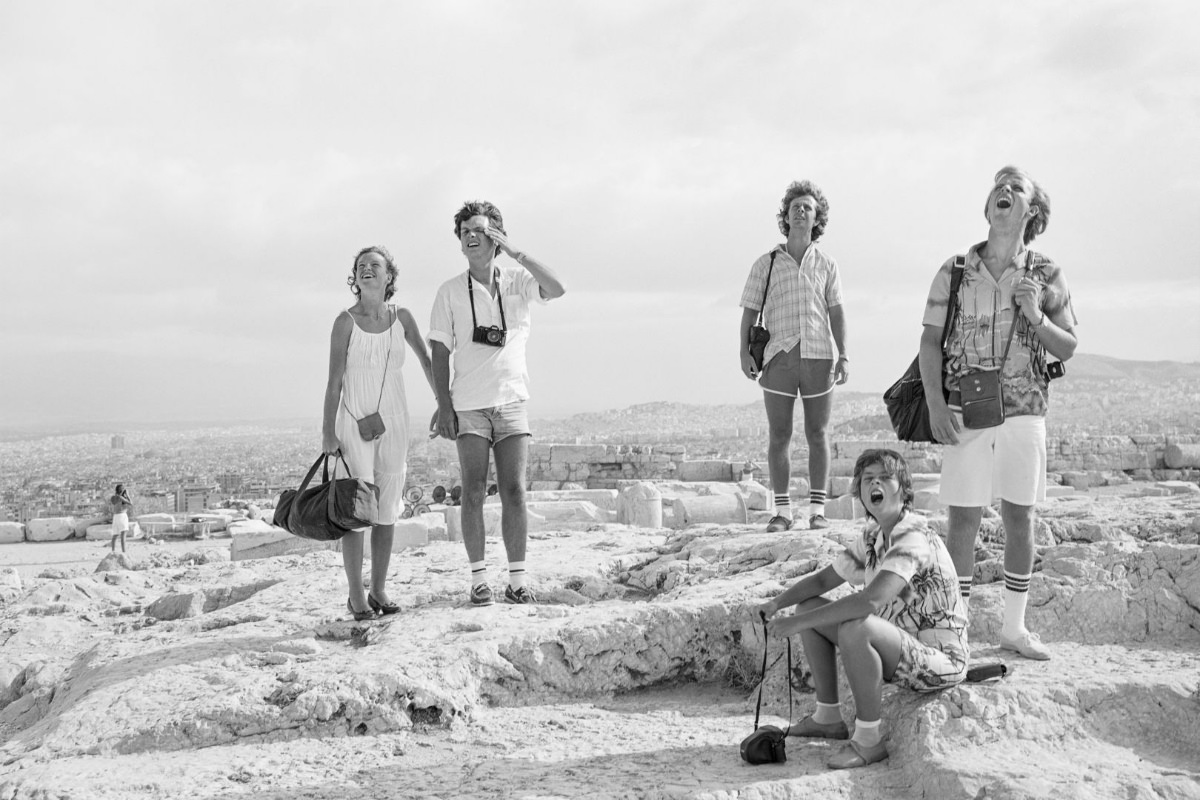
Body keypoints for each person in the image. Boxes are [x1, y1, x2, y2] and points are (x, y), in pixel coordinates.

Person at [918, 166, 1077, 661]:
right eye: (997, 187)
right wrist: (936, 403)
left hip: (1025, 410)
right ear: (987, 208)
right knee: (962, 519)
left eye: (1017, 188)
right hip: (967, 407)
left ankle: (1014, 628)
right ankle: (957, 630)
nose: (1003, 191)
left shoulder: (1047, 273)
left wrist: (1035, 315)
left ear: (1032, 212)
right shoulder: (955, 270)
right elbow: (928, 340)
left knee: (1019, 517)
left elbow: (1068, 345)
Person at [755, 449, 968, 770]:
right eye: (868, 479)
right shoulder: (872, 537)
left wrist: (796, 623)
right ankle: (828, 718)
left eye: (885, 478)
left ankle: (869, 740)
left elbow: (870, 601)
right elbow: (824, 580)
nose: (875, 484)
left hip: (940, 660)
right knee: (809, 605)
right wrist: (776, 604)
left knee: (857, 624)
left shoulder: (913, 536)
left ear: (904, 489)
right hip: (898, 645)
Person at [429, 200, 565, 607]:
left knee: (515, 491)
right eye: (465, 231)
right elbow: (439, 352)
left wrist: (516, 252)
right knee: (472, 491)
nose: (471, 236)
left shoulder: (518, 281)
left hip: (511, 401)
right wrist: (444, 404)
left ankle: (518, 579)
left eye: (480, 231)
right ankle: (478, 580)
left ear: (496, 237)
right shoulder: (449, 291)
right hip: (469, 404)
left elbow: (557, 288)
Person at [322, 245, 435, 621]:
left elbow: (425, 358)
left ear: (390, 277)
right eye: (361, 266)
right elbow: (334, 381)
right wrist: (328, 432)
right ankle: (356, 596)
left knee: (387, 509)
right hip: (354, 421)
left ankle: (379, 588)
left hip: (394, 420)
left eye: (375, 265)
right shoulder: (344, 322)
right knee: (356, 509)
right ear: (355, 277)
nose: (367, 269)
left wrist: (444, 403)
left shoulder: (402, 317)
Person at [739, 180, 848, 533]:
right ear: (785, 216)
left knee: (818, 433)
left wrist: (844, 353)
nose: (801, 211)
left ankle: (817, 510)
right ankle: (783, 512)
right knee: (779, 434)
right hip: (778, 357)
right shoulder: (766, 263)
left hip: (819, 355)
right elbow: (749, 311)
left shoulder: (828, 264)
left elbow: (836, 312)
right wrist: (744, 352)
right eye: (795, 207)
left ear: (817, 218)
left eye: (808, 208)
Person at [108, 484, 132, 553]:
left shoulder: (113, 498)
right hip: (122, 516)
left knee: (115, 535)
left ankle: (113, 551)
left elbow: (115, 503)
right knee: (123, 536)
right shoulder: (121, 498)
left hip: (115, 517)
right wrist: (127, 495)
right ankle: (124, 552)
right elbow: (131, 503)